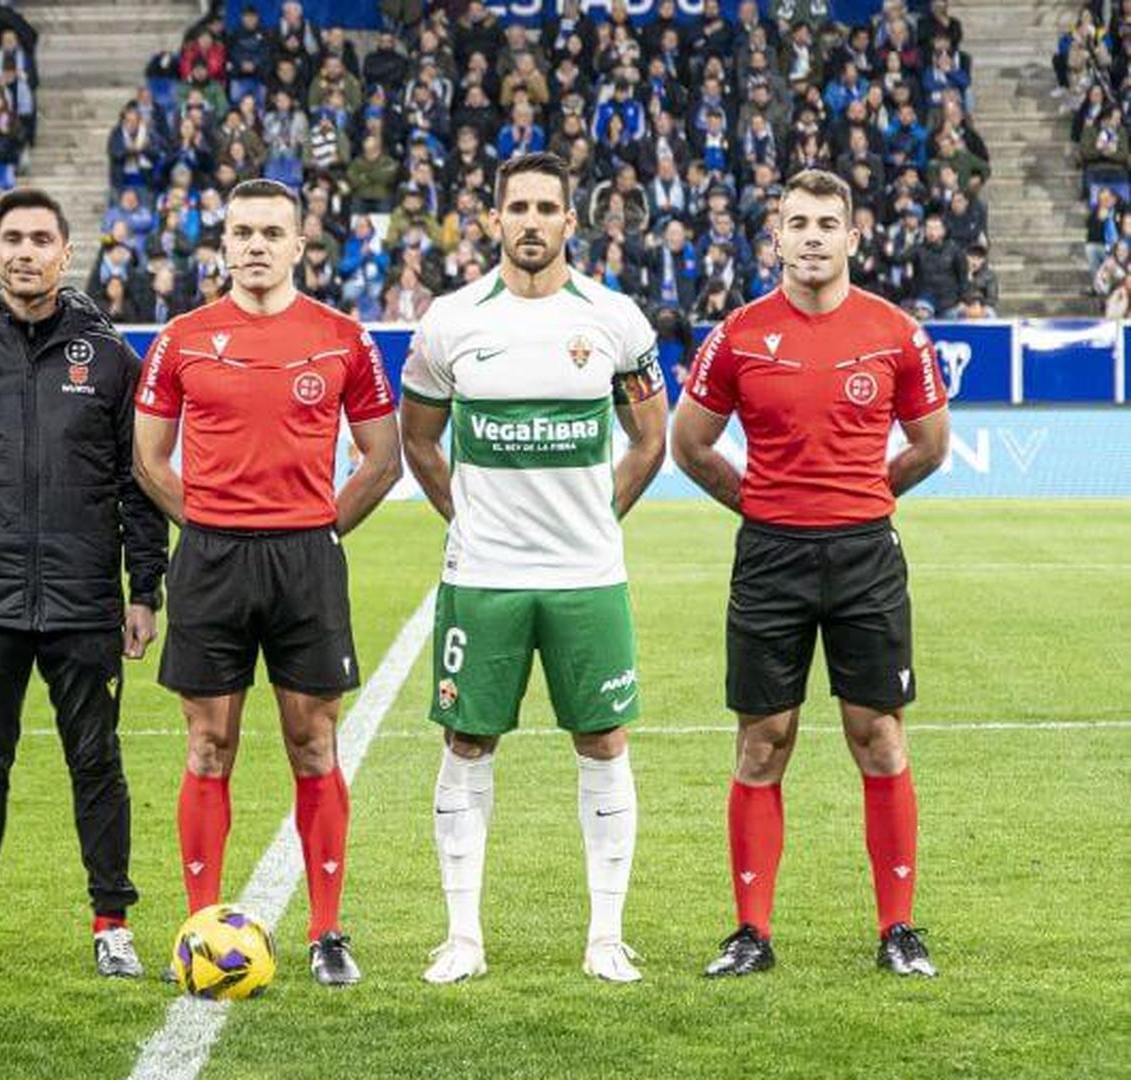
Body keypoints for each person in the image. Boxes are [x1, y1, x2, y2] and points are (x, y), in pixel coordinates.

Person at [670, 168, 951, 979]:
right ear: (777, 238)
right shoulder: (740, 334)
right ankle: (751, 933)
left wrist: (863, 499)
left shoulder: (896, 332)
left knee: (881, 738)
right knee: (763, 741)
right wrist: (759, 504)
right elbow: (690, 446)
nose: (815, 236)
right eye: (799, 223)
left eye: (829, 222)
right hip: (770, 559)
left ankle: (898, 928)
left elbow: (931, 445)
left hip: (865, 557)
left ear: (854, 237)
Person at [399, 152, 670, 986]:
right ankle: (462, 938)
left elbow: (650, 438)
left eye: (545, 208)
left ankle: (606, 937)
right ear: (493, 221)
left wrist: (598, 514)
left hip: (587, 575)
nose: (530, 221)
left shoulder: (615, 318)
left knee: (603, 738)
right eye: (516, 207)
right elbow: (417, 438)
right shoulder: (450, 321)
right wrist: (467, 517)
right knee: (468, 740)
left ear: (568, 223)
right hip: (483, 575)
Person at [133, 179, 403, 987]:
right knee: (209, 743)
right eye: (242, 231)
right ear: (223, 243)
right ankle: (200, 928)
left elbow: (381, 459)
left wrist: (318, 528)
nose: (255, 245)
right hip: (211, 561)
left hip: (304, 563)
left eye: (270, 232)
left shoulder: (342, 337)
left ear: (298, 245)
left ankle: (327, 933)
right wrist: (211, 522)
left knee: (312, 742)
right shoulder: (182, 338)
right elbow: (149, 459)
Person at [0, 188, 168, 979]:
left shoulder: (113, 360)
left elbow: (140, 483)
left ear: (67, 254)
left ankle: (111, 924)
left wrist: (144, 589)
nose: (24, 252)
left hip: (84, 599)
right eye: (11, 239)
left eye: (39, 240)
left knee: (97, 763)